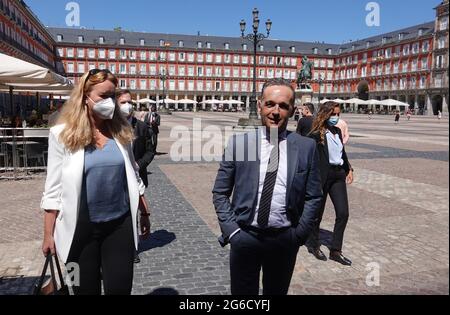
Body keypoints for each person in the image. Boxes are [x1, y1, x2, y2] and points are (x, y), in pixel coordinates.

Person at [41, 69, 151, 295]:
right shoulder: (61, 134)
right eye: (104, 96)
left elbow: (133, 172)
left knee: (120, 290)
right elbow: (52, 189)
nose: (110, 102)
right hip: (77, 232)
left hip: (119, 227)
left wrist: (144, 210)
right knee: (81, 290)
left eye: (113, 96)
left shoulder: (122, 131)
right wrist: (48, 235)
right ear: (85, 97)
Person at [212, 78, 323, 295]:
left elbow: (314, 197)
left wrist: (298, 235)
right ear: (259, 105)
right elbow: (220, 192)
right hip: (244, 236)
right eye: (270, 104)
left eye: (283, 106)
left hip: (284, 239)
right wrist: (233, 232)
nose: (275, 111)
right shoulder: (240, 144)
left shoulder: (306, 147)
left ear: (292, 111)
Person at [306, 101, 354, 266]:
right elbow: (307, 156)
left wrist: (349, 169)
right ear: (325, 114)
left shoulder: (338, 131)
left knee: (343, 213)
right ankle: (313, 244)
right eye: (333, 114)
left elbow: (342, 152)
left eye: (338, 114)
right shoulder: (315, 135)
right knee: (317, 214)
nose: (336, 117)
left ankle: (335, 250)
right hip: (322, 177)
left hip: (338, 175)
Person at [117, 89, 155, 264]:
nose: (128, 105)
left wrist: (139, 164)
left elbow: (150, 151)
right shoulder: (111, 127)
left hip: (137, 176)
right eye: (123, 102)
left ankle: (133, 249)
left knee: (134, 213)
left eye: (129, 102)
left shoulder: (142, 127)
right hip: (117, 180)